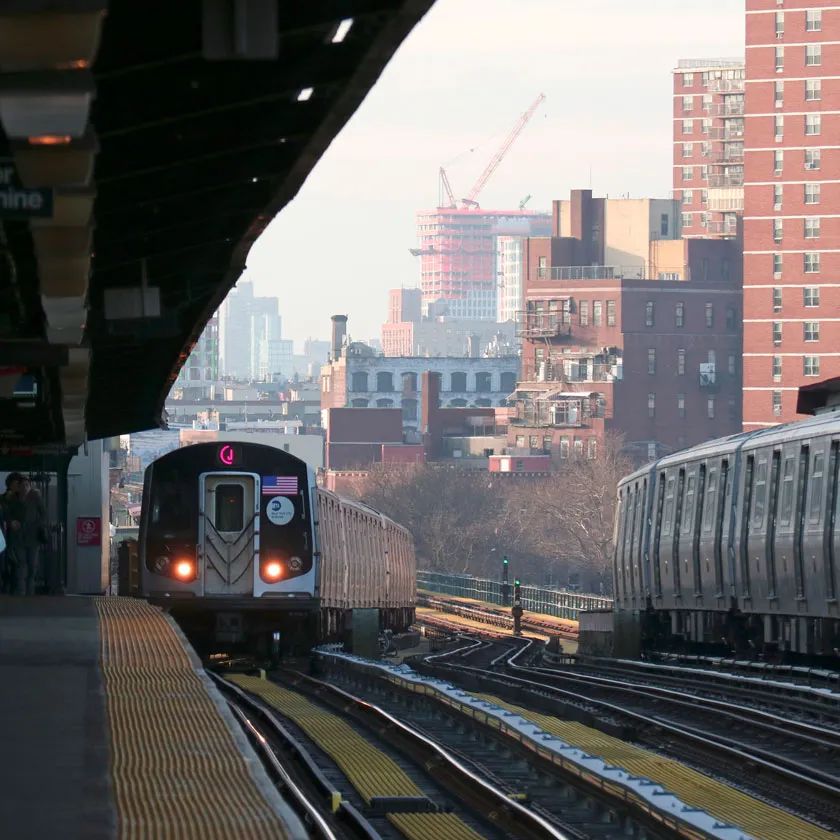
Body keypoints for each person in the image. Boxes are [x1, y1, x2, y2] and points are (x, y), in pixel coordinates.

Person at [20, 477, 47, 596]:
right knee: (21, 565)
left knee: (32, 564)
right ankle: (22, 591)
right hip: (19, 535)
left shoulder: (35, 497)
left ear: (30, 486)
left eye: (27, 485)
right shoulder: (16, 497)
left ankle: (30, 592)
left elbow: (43, 512)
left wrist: (37, 524)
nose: (25, 488)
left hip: (33, 535)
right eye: (23, 485)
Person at [2, 473, 26, 595]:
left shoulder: (22, 500)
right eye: (17, 483)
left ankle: (16, 592)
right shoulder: (2, 499)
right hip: (5, 538)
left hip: (17, 539)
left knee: (18, 567)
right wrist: (9, 522)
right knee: (4, 566)